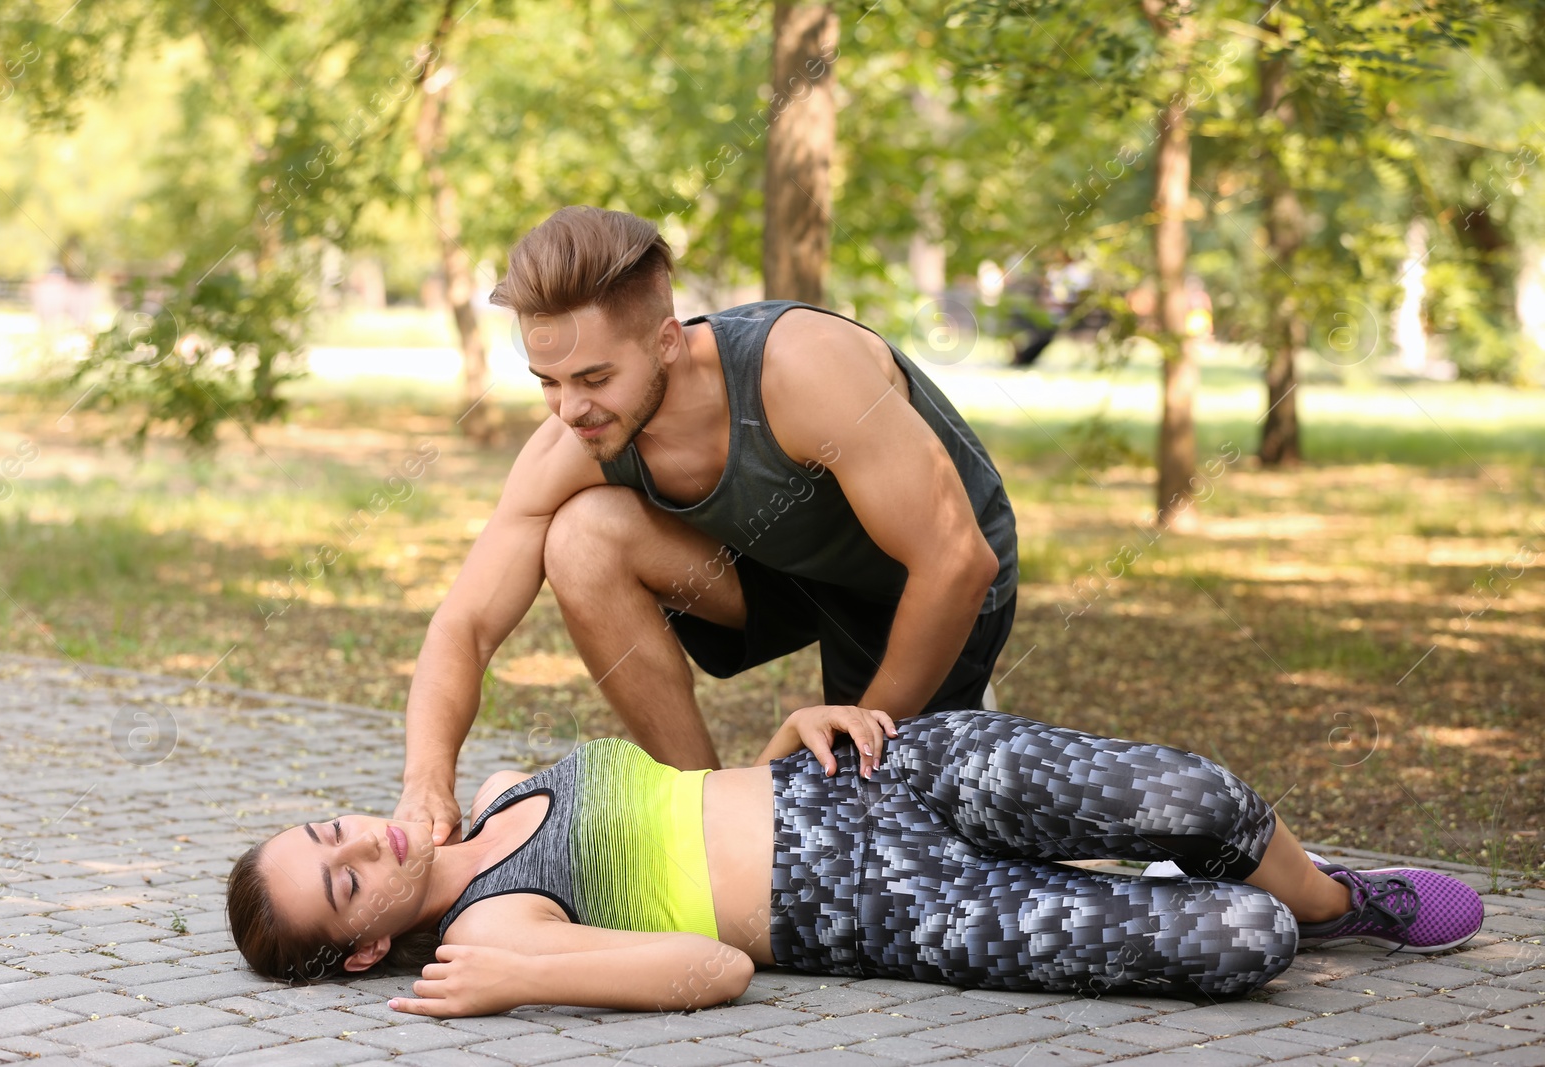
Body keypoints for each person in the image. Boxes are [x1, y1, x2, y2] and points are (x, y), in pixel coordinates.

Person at [394, 206, 1019, 847]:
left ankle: (955, 736)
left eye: (595, 378)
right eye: (547, 381)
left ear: (667, 339)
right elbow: (465, 626)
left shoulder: (803, 368)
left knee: (874, 842)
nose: (570, 408)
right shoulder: (570, 441)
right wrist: (426, 779)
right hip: (782, 567)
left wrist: (861, 731)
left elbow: (957, 561)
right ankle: (702, 820)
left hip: (932, 578)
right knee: (581, 537)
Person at [227, 707, 1484, 1017]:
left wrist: (793, 723)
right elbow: (713, 965)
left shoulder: (510, 783)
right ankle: (1255, 908)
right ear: (368, 944)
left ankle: (1332, 899)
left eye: (327, 830)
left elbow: (692, 787)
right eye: (340, 880)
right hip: (893, 903)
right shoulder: (492, 935)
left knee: (1184, 791)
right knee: (1231, 946)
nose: (359, 841)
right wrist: (514, 984)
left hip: (867, 775)